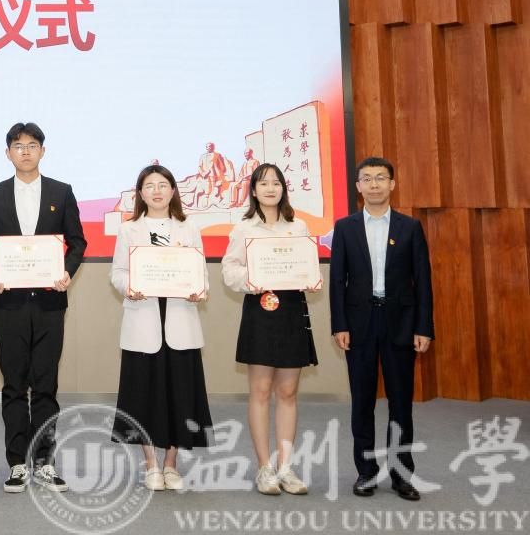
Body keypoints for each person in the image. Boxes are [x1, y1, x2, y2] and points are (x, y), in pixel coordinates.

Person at [0, 122, 87, 493]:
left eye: (32, 145)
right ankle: (17, 462)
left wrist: (67, 272)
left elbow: (78, 242)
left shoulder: (61, 192)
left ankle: (45, 462)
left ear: (43, 151)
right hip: (9, 304)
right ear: (8, 153)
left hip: (50, 303)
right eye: (18, 146)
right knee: (14, 385)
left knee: (46, 386)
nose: (25, 151)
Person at [330, 157, 433, 501]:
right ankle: (366, 472)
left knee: (401, 404)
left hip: (400, 323)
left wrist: (423, 327)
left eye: (380, 178)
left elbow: (423, 281)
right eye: (367, 179)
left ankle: (402, 475)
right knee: (362, 403)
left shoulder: (410, 227)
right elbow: (337, 281)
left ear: (392, 184)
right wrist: (339, 324)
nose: (374, 184)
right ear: (358, 187)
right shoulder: (345, 228)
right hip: (359, 324)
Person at [109, 165, 212, 491]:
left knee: (180, 395)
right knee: (144, 395)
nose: (157, 191)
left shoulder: (189, 227)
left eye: (163, 184)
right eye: (150, 185)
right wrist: (130, 287)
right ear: (140, 193)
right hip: (144, 321)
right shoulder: (129, 230)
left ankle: (171, 464)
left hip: (181, 320)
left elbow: (201, 274)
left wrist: (199, 290)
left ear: (173, 191)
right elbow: (117, 273)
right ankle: (151, 465)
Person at [222, 163, 318, 495]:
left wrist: (311, 278)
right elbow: (229, 269)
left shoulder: (298, 226)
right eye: (263, 184)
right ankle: (264, 468)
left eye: (276, 183)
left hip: (291, 311)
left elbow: (308, 265)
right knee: (261, 391)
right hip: (260, 310)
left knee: (288, 392)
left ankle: (286, 467)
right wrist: (252, 280)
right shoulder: (244, 228)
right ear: (253, 190)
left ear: (283, 189)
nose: (270, 189)